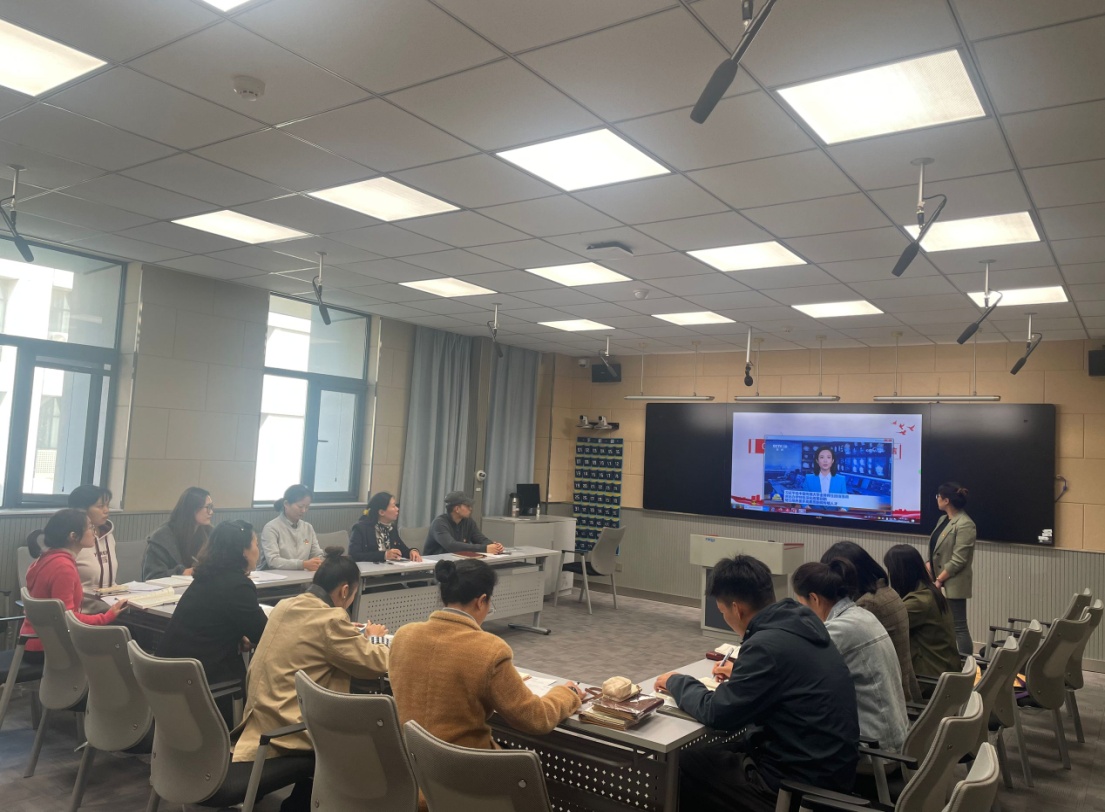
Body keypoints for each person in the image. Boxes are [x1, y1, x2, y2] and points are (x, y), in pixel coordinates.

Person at [653, 555, 858, 812]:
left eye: (723, 612)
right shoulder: (803, 625)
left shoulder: (765, 646)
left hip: (795, 788)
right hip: (831, 775)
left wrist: (677, 681)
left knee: (681, 764)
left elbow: (717, 713)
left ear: (737, 609)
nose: (726, 618)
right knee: (716, 750)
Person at [232, 548, 390, 812]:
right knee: (367, 738)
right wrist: (374, 637)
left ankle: (298, 802)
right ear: (344, 591)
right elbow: (375, 663)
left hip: (259, 719)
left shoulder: (285, 606)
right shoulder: (330, 619)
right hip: (288, 728)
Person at [390, 559, 583, 753]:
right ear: (481, 601)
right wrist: (568, 693)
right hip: (466, 764)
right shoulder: (489, 649)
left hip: (412, 760)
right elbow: (535, 719)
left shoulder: (404, 635)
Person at [792, 560, 908, 755]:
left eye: (801, 604)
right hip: (895, 737)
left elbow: (794, 667)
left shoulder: (838, 630)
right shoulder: (862, 615)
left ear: (814, 598)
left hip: (874, 749)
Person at [157, 520, 268, 690]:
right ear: (243, 551)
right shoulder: (238, 586)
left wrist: (238, 635)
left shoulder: (205, 577)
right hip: (198, 681)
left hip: (167, 674)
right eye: (256, 544)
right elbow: (265, 635)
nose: (258, 551)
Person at [21, 509, 129, 664]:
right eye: (90, 528)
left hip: (34, 642)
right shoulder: (63, 567)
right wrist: (107, 616)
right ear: (73, 536)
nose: (94, 533)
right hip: (49, 647)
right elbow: (67, 617)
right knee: (123, 642)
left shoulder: (46, 559)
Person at [823, 540, 922, 703]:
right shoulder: (886, 591)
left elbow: (835, 653)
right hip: (901, 689)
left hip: (888, 697)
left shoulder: (868, 605)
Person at [884, 544, 960, 684]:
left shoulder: (919, 602)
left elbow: (883, 626)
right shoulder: (930, 592)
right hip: (943, 674)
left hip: (929, 680)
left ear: (900, 573)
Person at [928, 483, 976, 656]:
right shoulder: (943, 520)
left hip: (952, 582)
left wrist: (939, 579)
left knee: (959, 626)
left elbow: (959, 559)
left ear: (946, 500)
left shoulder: (965, 524)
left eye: (938, 497)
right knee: (942, 625)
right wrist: (928, 565)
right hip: (937, 579)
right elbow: (937, 549)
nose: (937, 499)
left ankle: (965, 664)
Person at [141, 487, 213, 581]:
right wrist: (184, 572)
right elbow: (152, 577)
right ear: (192, 508)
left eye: (211, 507)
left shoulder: (209, 533)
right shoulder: (161, 538)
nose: (211, 512)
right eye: (208, 507)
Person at [68, 484, 118, 612]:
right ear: (82, 510)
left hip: (109, 608)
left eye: (107, 505)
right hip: (84, 613)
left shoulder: (108, 536)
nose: (106, 510)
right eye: (100, 506)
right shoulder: (71, 541)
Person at [260, 484, 324, 571]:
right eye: (300, 506)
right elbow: (273, 561)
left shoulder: (308, 527)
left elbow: (316, 553)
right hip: (274, 576)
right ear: (286, 504)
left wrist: (320, 561)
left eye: (307, 507)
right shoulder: (271, 528)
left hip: (301, 576)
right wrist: (303, 564)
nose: (303, 510)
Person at [348, 491, 423, 563]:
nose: (397, 509)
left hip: (390, 569)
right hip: (370, 571)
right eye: (393, 506)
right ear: (381, 512)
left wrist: (412, 551)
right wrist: (384, 555)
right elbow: (354, 555)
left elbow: (402, 550)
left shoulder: (391, 528)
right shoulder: (361, 528)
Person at [423, 491, 504, 555]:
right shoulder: (439, 523)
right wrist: (485, 548)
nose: (471, 508)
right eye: (467, 506)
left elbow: (480, 539)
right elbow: (451, 546)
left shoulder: (468, 522)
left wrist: (494, 546)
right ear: (457, 509)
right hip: (436, 565)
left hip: (457, 561)